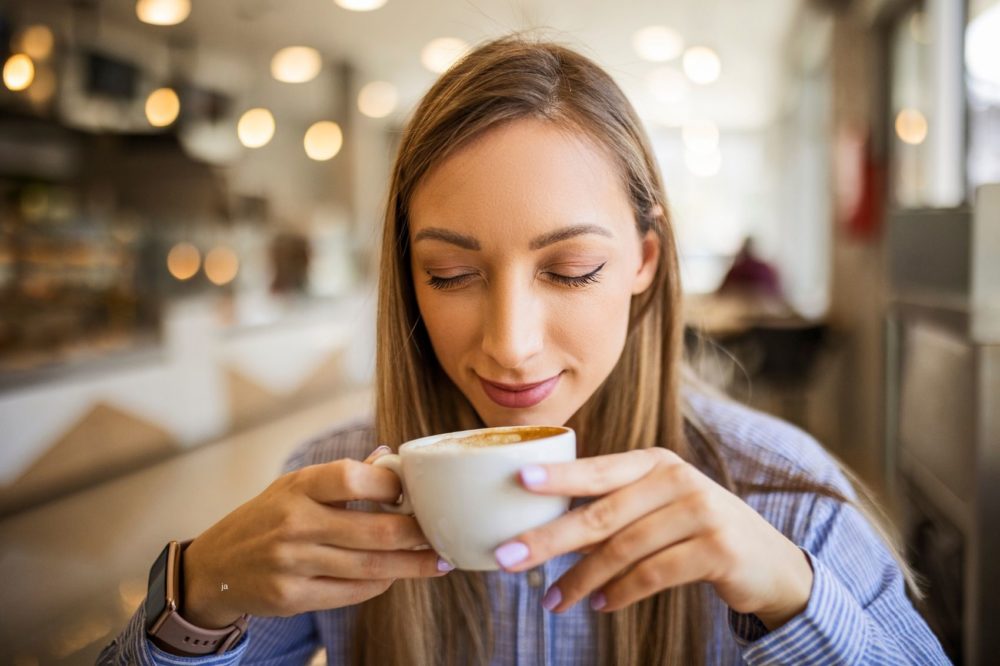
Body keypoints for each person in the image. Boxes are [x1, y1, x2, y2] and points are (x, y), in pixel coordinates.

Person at [99, 35, 948, 665]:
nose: (509, 345)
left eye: (572, 271)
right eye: (452, 272)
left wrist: (793, 597)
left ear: (644, 261)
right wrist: (196, 593)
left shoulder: (779, 496)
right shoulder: (340, 489)